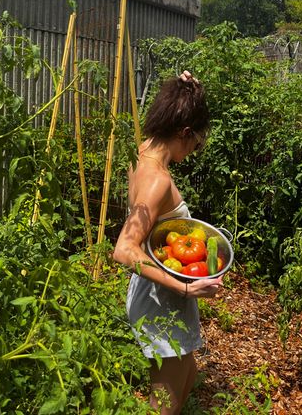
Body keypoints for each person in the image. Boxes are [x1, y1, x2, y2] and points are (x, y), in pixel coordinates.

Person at [113, 70, 222, 414]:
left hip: (159, 290)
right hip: (161, 297)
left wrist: (188, 91)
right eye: (197, 142)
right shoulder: (157, 180)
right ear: (185, 132)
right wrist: (185, 287)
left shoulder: (143, 150)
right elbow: (124, 249)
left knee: (187, 371)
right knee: (164, 406)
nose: (194, 150)